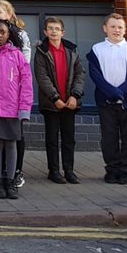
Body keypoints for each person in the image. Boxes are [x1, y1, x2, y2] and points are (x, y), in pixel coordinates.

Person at [87, 13, 127, 184]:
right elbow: (95, 75)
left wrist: (119, 92)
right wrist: (110, 92)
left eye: (120, 27)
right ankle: (112, 169)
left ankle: (126, 170)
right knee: (109, 138)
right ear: (105, 28)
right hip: (106, 102)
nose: (116, 30)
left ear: (125, 30)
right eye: (112, 26)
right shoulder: (96, 50)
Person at [0, 0, 32, 188]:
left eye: (2, 32)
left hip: (13, 109)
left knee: (11, 144)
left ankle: (10, 180)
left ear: (9, 33)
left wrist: (24, 109)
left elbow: (26, 83)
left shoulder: (17, 55)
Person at [34, 16, 85, 184]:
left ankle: (69, 170)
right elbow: (42, 78)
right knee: (52, 139)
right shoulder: (41, 52)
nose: (53, 31)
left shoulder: (72, 51)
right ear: (45, 32)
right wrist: (55, 98)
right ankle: (54, 171)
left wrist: (74, 96)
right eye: (50, 28)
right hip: (52, 104)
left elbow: (80, 75)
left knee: (69, 138)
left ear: (63, 32)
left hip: (70, 103)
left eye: (57, 29)